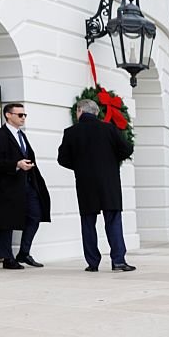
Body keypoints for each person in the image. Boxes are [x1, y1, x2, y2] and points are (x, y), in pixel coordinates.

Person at [57, 98, 136, 272]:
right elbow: (127, 149)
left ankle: (93, 263)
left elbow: (62, 159)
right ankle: (118, 261)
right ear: (95, 113)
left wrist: (79, 166)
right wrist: (112, 161)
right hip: (109, 182)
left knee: (87, 222)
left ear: (79, 111)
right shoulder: (108, 128)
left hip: (85, 184)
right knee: (113, 221)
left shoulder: (71, 132)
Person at [0, 103, 51, 269]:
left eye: (24, 115)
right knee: (7, 222)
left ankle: (24, 252)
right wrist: (16, 164)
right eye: (20, 115)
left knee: (35, 215)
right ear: (8, 115)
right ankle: (7, 258)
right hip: (8, 186)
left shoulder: (21, 135)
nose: (23, 118)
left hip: (28, 184)